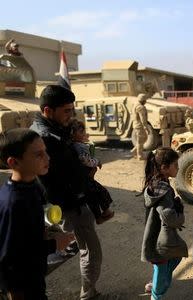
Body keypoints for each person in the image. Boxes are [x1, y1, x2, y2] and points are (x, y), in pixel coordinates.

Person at [30, 85, 103, 299]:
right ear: (48, 111)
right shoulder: (46, 137)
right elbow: (58, 176)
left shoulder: (53, 130)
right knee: (85, 250)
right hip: (68, 205)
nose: (70, 115)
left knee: (71, 247)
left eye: (72, 110)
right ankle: (88, 295)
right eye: (66, 111)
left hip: (68, 203)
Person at [0, 128, 73, 299]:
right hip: (20, 284)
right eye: (38, 155)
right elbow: (10, 256)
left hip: (34, 274)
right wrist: (53, 245)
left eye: (45, 151)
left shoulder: (34, 184)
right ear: (14, 163)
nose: (47, 158)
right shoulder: (13, 202)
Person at [140, 147, 187, 299]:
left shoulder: (157, 182)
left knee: (171, 258)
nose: (178, 167)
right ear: (164, 168)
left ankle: (156, 284)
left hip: (154, 234)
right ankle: (156, 295)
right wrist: (179, 213)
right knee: (162, 264)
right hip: (162, 236)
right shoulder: (163, 189)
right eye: (175, 165)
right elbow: (169, 217)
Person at [69, 119, 114, 225]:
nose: (84, 134)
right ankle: (104, 213)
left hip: (86, 177)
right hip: (85, 178)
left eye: (84, 131)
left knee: (96, 195)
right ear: (72, 134)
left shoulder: (78, 144)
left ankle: (102, 214)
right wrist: (97, 162)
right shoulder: (77, 146)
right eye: (81, 132)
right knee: (98, 193)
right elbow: (86, 161)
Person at [130, 94, 152, 160]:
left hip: (136, 125)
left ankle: (134, 151)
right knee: (140, 141)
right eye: (145, 100)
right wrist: (146, 127)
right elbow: (143, 119)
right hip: (139, 126)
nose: (145, 101)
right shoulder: (140, 107)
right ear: (143, 100)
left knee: (143, 139)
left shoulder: (135, 105)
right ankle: (139, 155)